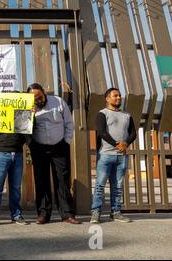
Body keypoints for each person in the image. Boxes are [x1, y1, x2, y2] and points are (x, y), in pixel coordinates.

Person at [27, 83, 81, 224]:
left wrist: (66, 142)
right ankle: (43, 214)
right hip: (39, 148)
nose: (38, 101)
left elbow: (69, 123)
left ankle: (67, 214)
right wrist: (30, 115)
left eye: (39, 97)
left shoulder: (58, 102)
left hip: (59, 147)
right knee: (41, 180)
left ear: (44, 92)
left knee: (62, 180)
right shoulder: (27, 107)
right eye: (35, 99)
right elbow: (25, 128)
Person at [90, 88, 137, 224]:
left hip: (121, 157)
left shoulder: (127, 115)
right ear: (107, 99)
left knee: (117, 186)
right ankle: (96, 212)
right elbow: (101, 132)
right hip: (106, 155)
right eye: (115, 96)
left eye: (119, 95)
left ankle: (115, 212)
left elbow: (133, 133)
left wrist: (126, 143)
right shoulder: (102, 114)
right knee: (100, 185)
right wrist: (118, 144)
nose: (118, 98)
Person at [0, 127, 29, 226]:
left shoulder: (21, 111)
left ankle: (16, 215)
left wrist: (24, 140)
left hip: (17, 151)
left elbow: (28, 126)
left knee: (16, 187)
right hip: (0, 151)